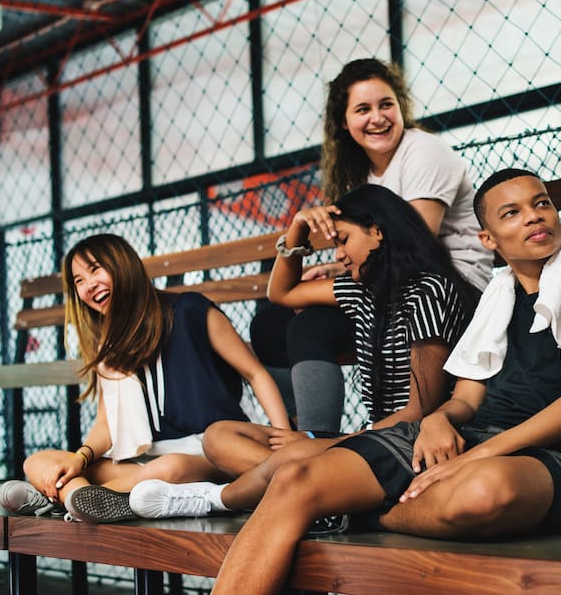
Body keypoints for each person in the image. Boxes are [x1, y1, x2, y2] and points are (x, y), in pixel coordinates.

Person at [131, 169, 561, 594]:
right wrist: (442, 420)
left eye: (541, 204)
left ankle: (345, 509)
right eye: (511, 213)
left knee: (484, 493)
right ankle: (309, 503)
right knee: (295, 477)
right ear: (489, 240)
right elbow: (466, 399)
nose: (533, 216)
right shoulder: (496, 298)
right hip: (466, 442)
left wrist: (472, 449)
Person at [250, 57, 491, 434]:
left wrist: (336, 270)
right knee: (271, 323)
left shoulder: (423, 151)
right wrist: (311, 244)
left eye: (386, 105)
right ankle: (308, 433)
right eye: (363, 109)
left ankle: (320, 442)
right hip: (388, 287)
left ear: (401, 108)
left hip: (448, 289)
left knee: (306, 324)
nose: (377, 117)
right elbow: (364, 251)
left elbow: (413, 241)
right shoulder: (361, 174)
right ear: (343, 122)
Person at [0, 233, 291, 523]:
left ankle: (61, 500)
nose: (88, 286)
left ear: (122, 265)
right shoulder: (108, 345)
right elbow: (106, 425)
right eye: (79, 281)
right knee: (37, 461)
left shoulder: (191, 310)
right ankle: (86, 498)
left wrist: (283, 436)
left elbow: (255, 373)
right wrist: (79, 459)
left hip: (207, 454)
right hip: (147, 459)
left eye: (95, 270)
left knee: (169, 469)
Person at [195, 184, 478, 480]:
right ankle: (298, 483)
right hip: (370, 437)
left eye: (344, 241)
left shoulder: (429, 291)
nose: (340, 256)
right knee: (219, 436)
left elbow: (419, 410)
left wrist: (326, 443)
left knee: (292, 457)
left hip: (409, 440)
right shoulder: (362, 291)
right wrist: (298, 228)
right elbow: (282, 292)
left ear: (378, 231)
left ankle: (236, 494)